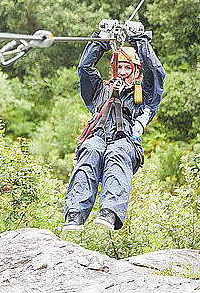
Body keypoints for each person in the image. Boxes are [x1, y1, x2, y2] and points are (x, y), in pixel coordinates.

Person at [62, 20, 165, 232]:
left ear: (137, 71)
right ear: (113, 69)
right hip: (97, 137)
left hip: (125, 142)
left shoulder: (143, 97)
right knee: (90, 151)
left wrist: (139, 40)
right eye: (120, 67)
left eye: (129, 67)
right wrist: (103, 39)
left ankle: (109, 212)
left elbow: (155, 73)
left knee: (117, 153)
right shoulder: (100, 91)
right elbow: (84, 68)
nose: (124, 71)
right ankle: (75, 214)